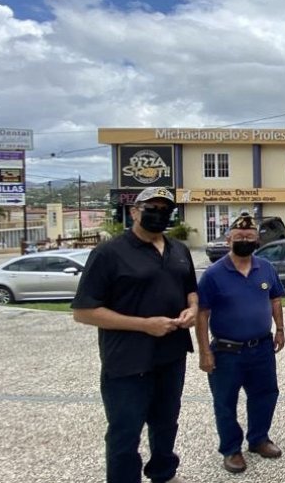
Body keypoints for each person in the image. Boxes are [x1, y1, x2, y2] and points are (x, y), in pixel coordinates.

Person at [71, 187, 197, 483]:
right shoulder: (109, 253)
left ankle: (164, 473)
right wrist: (144, 325)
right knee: (124, 432)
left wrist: (192, 309)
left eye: (165, 209)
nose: (158, 214)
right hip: (127, 361)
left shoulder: (179, 249)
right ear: (134, 212)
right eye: (151, 208)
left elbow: (191, 290)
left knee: (166, 423)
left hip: (172, 355)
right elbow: (83, 311)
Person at [195, 214, 285, 473]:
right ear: (228, 239)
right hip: (226, 351)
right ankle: (231, 449)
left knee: (266, 395)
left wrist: (280, 329)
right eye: (239, 235)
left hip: (262, 348)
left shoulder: (266, 267)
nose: (245, 239)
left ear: (257, 239)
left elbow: (276, 299)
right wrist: (204, 352)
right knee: (225, 402)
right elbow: (202, 314)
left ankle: (258, 439)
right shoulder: (213, 274)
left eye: (249, 235)